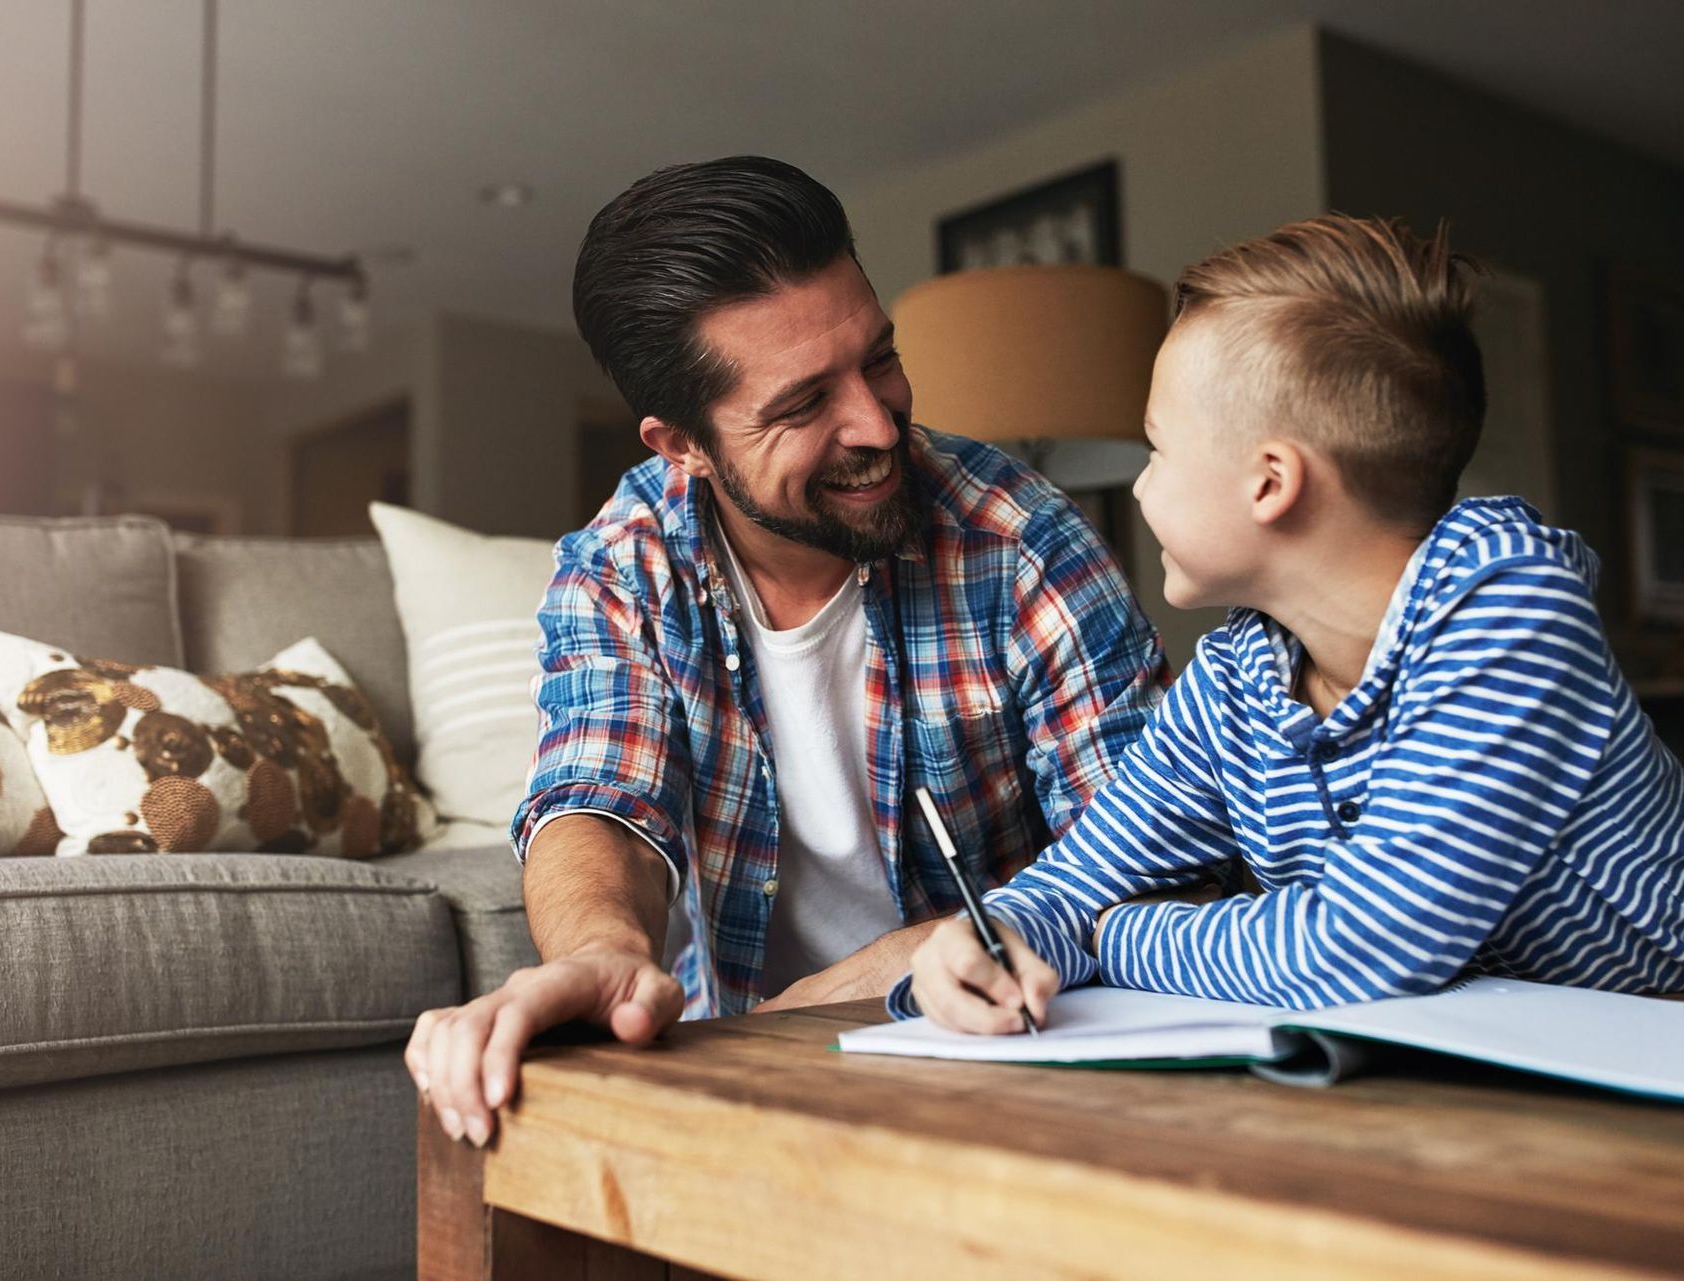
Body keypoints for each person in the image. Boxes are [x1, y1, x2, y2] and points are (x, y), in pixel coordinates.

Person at [408, 156, 1170, 1144]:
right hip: (755, 1060)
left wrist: (908, 960)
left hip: (1013, 1047)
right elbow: (598, 795)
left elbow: (1149, 852)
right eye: (804, 405)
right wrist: (599, 948)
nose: (878, 424)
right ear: (680, 445)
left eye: (880, 359)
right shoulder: (620, 569)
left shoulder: (1020, 539)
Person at [906, 214, 1684, 1033]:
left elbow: (1363, 945)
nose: (1139, 485)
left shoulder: (1507, 612)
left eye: (1158, 448)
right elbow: (1068, 888)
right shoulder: (1233, 686)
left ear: (1269, 482)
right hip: (1522, 1059)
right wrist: (994, 941)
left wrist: (1111, 938)